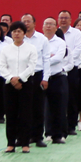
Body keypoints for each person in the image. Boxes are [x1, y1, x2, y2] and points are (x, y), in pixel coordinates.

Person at [0, 21, 37, 153]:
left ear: (24, 33)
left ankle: (25, 143)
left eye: (19, 31)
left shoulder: (31, 48)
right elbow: (2, 66)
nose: (16, 34)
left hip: (26, 84)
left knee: (26, 114)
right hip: (9, 84)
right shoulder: (6, 49)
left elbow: (31, 66)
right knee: (11, 114)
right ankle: (11, 143)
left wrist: (20, 78)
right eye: (14, 31)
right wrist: (12, 79)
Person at [22, 13, 51, 148]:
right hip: (22, 75)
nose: (26, 24)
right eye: (24, 21)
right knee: (23, 108)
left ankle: (38, 137)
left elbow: (46, 60)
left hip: (37, 75)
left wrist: (45, 78)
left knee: (38, 108)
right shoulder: (18, 38)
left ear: (34, 23)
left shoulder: (42, 39)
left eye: (29, 21)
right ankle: (23, 137)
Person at [43, 18, 69, 144]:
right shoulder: (40, 41)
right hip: (42, 77)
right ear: (42, 27)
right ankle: (47, 132)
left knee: (58, 107)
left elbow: (58, 58)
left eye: (51, 24)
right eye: (46, 24)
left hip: (57, 77)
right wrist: (48, 58)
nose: (48, 26)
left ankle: (59, 134)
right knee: (44, 107)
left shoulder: (60, 42)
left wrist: (44, 60)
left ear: (55, 27)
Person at [58, 10, 81, 136]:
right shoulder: (55, 32)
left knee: (72, 97)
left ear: (70, 20)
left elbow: (78, 50)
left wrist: (67, 61)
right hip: (56, 69)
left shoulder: (76, 33)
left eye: (66, 18)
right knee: (58, 98)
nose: (63, 20)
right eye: (61, 18)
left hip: (72, 68)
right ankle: (58, 126)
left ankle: (71, 126)